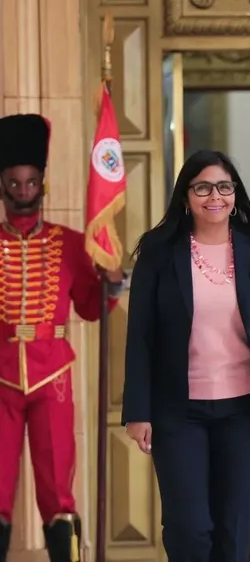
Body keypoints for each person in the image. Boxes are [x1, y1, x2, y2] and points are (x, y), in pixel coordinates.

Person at [121, 150, 250, 562]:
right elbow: (141, 336)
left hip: (244, 408)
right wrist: (138, 410)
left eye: (224, 187)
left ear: (234, 194)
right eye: (202, 187)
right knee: (188, 528)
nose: (214, 196)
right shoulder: (159, 251)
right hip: (177, 410)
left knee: (232, 526)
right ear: (186, 196)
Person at [0, 113, 127, 562]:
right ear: (2, 185)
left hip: (53, 375)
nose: (23, 193)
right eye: (14, 183)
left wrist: (112, 283)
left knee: (58, 494)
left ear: (43, 184)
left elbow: (90, 310)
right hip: (0, 380)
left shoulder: (72, 243)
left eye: (31, 182)